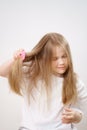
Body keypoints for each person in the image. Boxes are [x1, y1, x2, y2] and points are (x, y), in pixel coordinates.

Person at [0, 32, 87, 130]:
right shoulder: (32, 75)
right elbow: (2, 71)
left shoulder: (75, 82)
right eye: (55, 58)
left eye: (64, 56)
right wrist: (15, 59)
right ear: (45, 58)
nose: (61, 62)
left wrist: (76, 116)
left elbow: (80, 112)